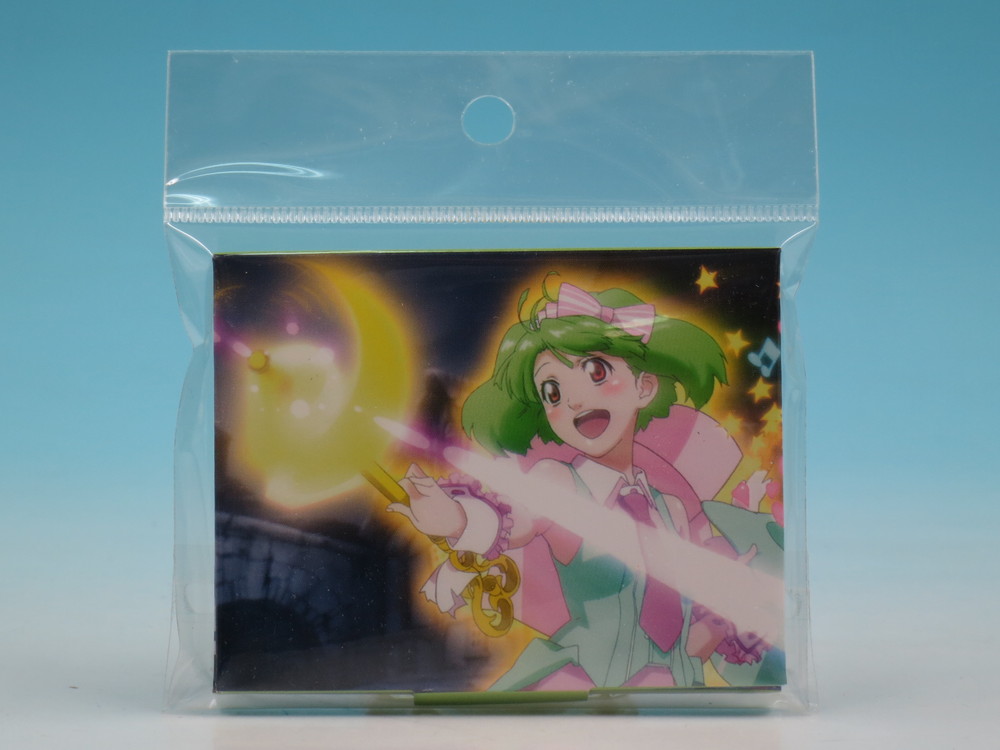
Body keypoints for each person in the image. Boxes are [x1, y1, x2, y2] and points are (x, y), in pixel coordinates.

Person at [389, 278, 779, 690]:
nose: (574, 400)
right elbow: (514, 520)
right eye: (552, 392)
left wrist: (725, 612)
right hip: (582, 683)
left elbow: (682, 634)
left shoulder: (671, 510)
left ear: (644, 387)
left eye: (596, 372)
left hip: (672, 687)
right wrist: (457, 519)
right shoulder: (559, 483)